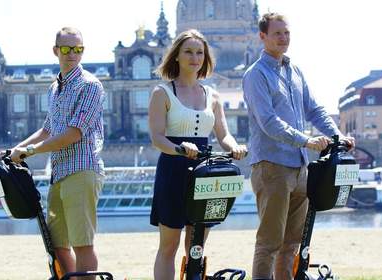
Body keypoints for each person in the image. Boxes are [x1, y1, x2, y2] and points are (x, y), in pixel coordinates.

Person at [242, 13, 355, 280]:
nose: (283, 38)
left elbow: (314, 110)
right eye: (277, 33)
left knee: (293, 242)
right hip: (271, 166)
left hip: (299, 166)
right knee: (269, 242)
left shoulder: (294, 71)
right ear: (262, 37)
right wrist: (306, 140)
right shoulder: (256, 75)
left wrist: (337, 135)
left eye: (286, 33)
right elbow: (268, 122)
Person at [2, 27, 105, 278]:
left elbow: (73, 133)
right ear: (56, 50)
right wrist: (16, 149)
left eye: (78, 49)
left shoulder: (90, 86)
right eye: (67, 49)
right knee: (57, 245)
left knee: (82, 243)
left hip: (82, 170)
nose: (72, 54)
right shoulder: (54, 89)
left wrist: (28, 151)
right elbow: (48, 129)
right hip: (59, 173)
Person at [148, 29, 248, 280]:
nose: (195, 57)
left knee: (197, 247)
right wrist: (180, 147)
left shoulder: (212, 95)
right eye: (189, 52)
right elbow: (157, 138)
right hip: (173, 171)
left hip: (205, 175)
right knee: (168, 247)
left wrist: (234, 147)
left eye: (200, 52)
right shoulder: (162, 92)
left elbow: (223, 134)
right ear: (177, 56)